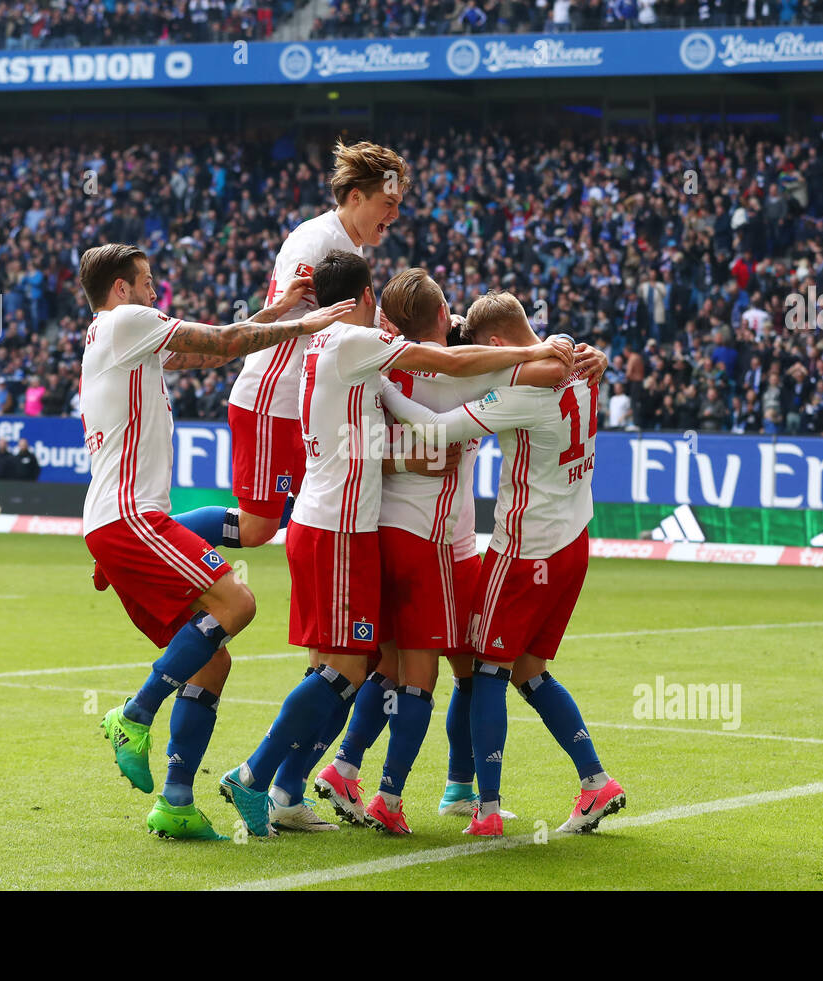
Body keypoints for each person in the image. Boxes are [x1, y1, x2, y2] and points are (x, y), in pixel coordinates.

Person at [217, 251, 573, 837]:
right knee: (373, 671)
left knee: (354, 669)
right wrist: (544, 349)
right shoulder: (366, 346)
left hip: (353, 526)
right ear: (361, 299)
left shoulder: (337, 347)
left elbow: (388, 408)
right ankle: (265, 776)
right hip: (360, 529)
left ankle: (292, 786)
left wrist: (408, 448)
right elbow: (446, 360)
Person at [312, 267, 605, 834]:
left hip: (396, 529)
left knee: (403, 665)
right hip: (437, 538)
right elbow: (526, 371)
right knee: (452, 671)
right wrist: (567, 349)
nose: (456, 315)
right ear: (441, 319)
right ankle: (400, 793)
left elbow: (359, 439)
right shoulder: (469, 372)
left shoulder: (375, 362)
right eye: (448, 307)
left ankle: (376, 774)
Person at [83, 242, 356, 842]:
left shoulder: (121, 338)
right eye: (148, 281)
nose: (156, 291)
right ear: (122, 288)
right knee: (238, 604)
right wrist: (306, 323)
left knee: (213, 660)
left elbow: (203, 356)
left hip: (119, 521)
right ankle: (135, 714)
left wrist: (279, 308)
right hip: (130, 517)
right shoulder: (129, 321)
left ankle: (176, 802)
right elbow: (226, 342)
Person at [379, 290, 627, 837]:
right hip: (574, 543)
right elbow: (574, 360)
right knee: (530, 672)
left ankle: (485, 811)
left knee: (487, 669)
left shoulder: (525, 387)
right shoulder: (582, 366)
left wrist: (383, 388)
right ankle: (595, 782)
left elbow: (438, 431)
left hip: (525, 549)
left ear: (496, 344)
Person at [225, 139, 409, 549]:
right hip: (273, 401)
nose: (395, 214)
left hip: (309, 407)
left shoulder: (347, 244)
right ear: (357, 197)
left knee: (330, 512)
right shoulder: (318, 242)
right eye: (388, 203)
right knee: (258, 529)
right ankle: (152, 538)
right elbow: (321, 323)